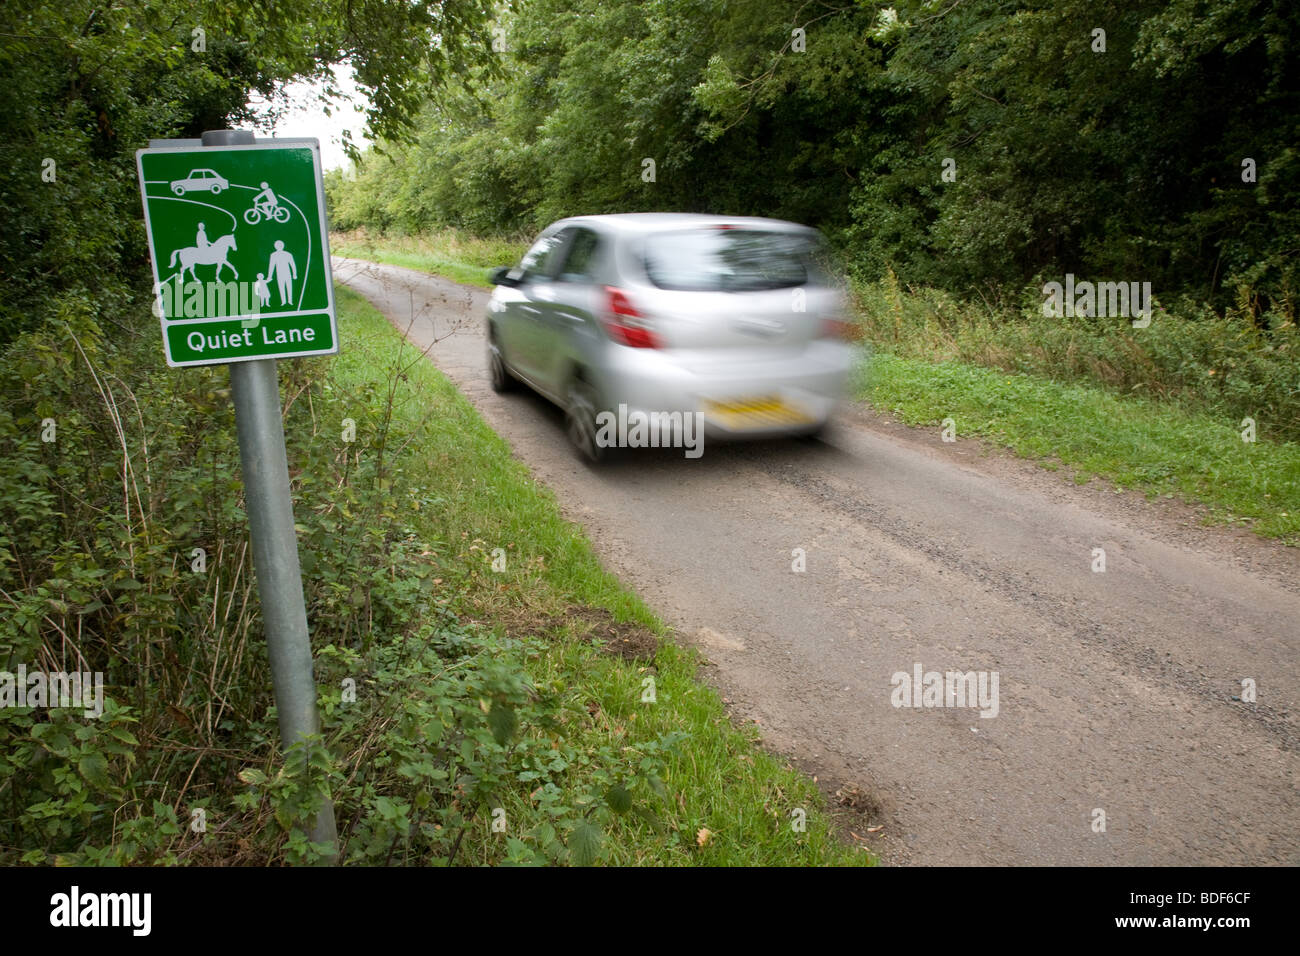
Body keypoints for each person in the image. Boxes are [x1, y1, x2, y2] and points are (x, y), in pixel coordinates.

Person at [266, 240, 297, 306]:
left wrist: (294, 274)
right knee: (281, 287)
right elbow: (271, 266)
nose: (279, 247)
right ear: (275, 247)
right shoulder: (273, 255)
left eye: (280, 245)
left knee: (289, 287)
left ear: (283, 246)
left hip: (288, 273)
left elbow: (293, 264)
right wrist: (269, 276)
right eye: (277, 245)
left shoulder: (288, 254)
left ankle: (290, 301)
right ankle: (283, 301)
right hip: (279, 274)